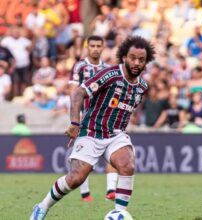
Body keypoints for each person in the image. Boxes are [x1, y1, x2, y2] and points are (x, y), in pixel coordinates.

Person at [29, 36, 155, 220]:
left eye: (141, 59)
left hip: (116, 134)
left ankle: (119, 213)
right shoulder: (110, 75)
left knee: (127, 166)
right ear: (124, 57)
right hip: (90, 132)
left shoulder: (143, 86)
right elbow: (78, 92)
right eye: (133, 57)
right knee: (76, 179)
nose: (136, 62)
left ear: (146, 62)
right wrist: (74, 122)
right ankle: (41, 207)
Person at [68, 35, 118, 202]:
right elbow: (74, 93)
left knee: (111, 151)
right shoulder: (80, 66)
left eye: (98, 46)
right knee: (84, 158)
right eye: (93, 46)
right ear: (87, 47)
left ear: (103, 48)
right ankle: (85, 194)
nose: (96, 48)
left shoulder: (108, 68)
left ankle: (111, 190)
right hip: (85, 117)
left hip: (104, 118)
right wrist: (75, 119)